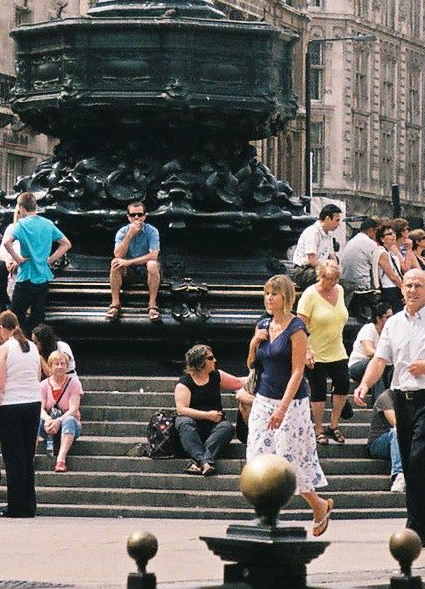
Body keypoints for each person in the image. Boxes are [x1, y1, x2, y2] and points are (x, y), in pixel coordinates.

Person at [352, 268, 425, 547]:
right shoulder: (392, 324)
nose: (412, 290)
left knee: (417, 461)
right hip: (401, 399)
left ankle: (415, 525)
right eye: (408, 286)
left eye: (418, 285)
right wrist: (365, 385)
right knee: (411, 462)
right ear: (401, 289)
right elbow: (380, 359)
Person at [247, 275, 333, 537]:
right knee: (258, 456)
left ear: (286, 296)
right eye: (266, 294)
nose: (269, 298)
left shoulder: (296, 328)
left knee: (290, 459)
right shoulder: (262, 324)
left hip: (291, 402)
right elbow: (252, 364)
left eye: (274, 294)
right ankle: (266, 514)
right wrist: (254, 343)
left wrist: (282, 409)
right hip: (263, 398)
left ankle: (319, 505)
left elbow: (297, 372)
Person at [0, 309, 44, 517]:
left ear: (1, 328)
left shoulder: (3, 350)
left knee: (13, 457)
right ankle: (29, 505)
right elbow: (37, 377)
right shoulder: (32, 348)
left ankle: (16, 506)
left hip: (10, 405)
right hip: (32, 403)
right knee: (27, 457)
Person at [298, 260, 352, 444]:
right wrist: (306, 351)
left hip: (337, 348)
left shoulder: (341, 291)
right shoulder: (310, 294)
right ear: (320, 276)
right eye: (327, 279)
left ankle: (334, 424)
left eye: (334, 280)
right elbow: (300, 325)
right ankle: (318, 427)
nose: (330, 283)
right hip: (316, 351)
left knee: (343, 384)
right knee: (318, 389)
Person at [173, 344, 245, 476]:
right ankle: (205, 461)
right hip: (194, 427)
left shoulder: (216, 376)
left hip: (214, 426)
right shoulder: (184, 383)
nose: (215, 360)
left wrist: (263, 377)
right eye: (210, 358)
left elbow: (238, 382)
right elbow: (181, 409)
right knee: (184, 422)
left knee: (227, 427)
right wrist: (207, 415)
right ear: (200, 362)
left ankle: (198, 462)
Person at [3, 191, 70, 333]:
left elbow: (7, 242)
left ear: (21, 208)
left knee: (15, 318)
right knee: (37, 319)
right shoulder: (48, 224)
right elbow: (66, 244)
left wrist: (18, 259)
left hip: (26, 275)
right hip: (43, 276)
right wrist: (51, 259)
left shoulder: (21, 225)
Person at [108, 199, 163, 322]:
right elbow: (118, 254)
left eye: (140, 215)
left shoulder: (152, 231)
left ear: (145, 216)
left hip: (146, 270)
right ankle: (115, 304)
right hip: (129, 272)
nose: (137, 218)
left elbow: (153, 255)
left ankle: (152, 305)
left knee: (152, 264)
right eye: (133, 215)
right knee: (115, 264)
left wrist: (128, 262)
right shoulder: (122, 232)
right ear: (128, 217)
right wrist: (129, 235)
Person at [339, 217, 400, 320]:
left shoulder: (353, 240)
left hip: (347, 283)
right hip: (363, 287)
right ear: (371, 231)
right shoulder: (371, 244)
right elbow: (383, 267)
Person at [40, 350, 84, 472]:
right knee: (37, 420)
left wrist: (58, 420)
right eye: (56, 364)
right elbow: (40, 408)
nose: (60, 367)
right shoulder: (43, 385)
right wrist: (48, 419)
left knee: (69, 420)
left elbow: (73, 409)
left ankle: (61, 459)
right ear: (50, 366)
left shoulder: (74, 383)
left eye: (63, 364)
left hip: (69, 426)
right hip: (49, 425)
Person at [365, 388, 404, 492]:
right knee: (398, 431)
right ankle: (399, 474)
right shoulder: (386, 397)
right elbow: (397, 423)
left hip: (406, 440)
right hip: (378, 443)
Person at [290, 204, 344, 276]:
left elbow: (332, 256)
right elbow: (312, 260)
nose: (338, 224)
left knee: (344, 283)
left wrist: (336, 271)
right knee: (328, 280)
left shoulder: (329, 235)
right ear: (327, 218)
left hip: (320, 269)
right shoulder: (312, 232)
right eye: (337, 220)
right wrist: (328, 272)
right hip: (304, 270)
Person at [349, 309, 388, 387]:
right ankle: (378, 398)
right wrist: (385, 355)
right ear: (378, 318)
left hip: (376, 366)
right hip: (357, 366)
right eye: (388, 317)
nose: (391, 319)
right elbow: (369, 351)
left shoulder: (388, 332)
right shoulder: (368, 328)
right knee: (377, 364)